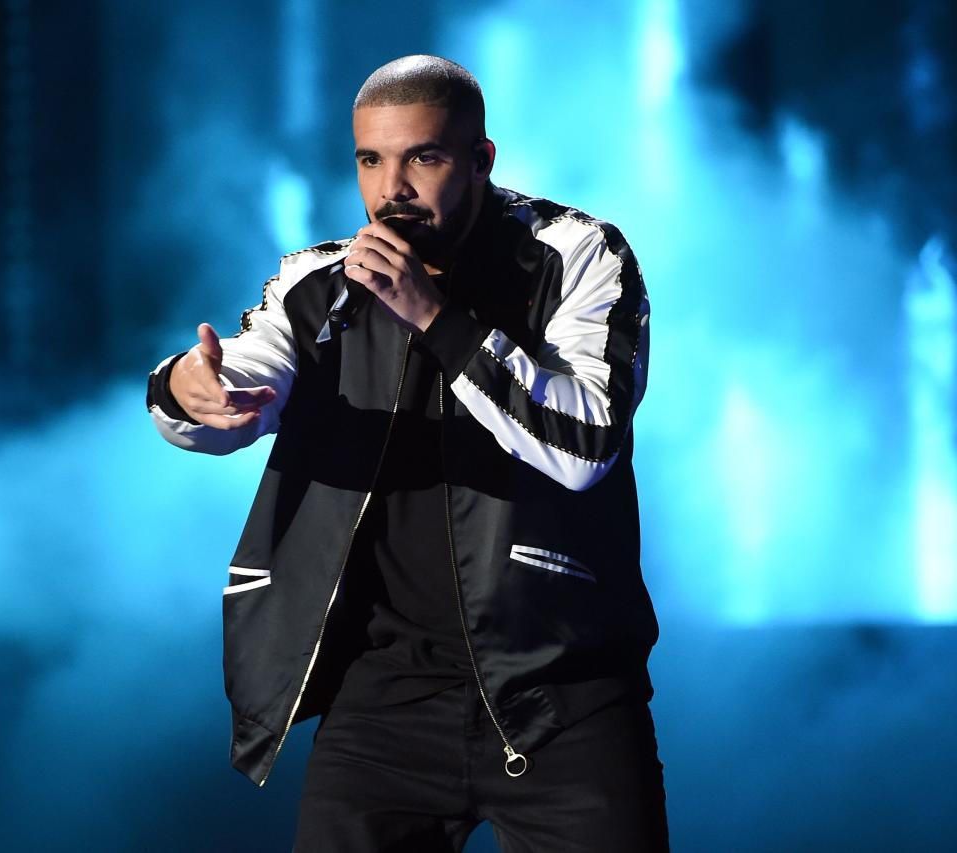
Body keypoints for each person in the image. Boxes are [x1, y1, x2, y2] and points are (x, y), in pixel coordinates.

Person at [146, 55, 667, 851]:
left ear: (481, 160)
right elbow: (230, 391)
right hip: (382, 701)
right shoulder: (318, 285)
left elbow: (586, 441)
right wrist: (190, 391)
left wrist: (437, 317)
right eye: (370, 159)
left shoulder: (576, 256)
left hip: (562, 693)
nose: (393, 188)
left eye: (423, 156)